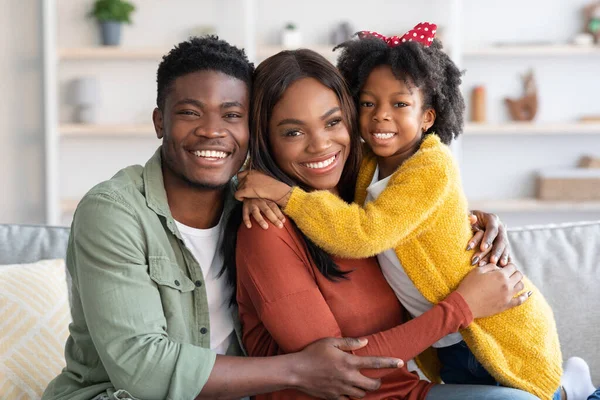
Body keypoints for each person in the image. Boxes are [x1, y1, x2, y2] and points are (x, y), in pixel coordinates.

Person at [42, 36, 413, 400]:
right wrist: (299, 368)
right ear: (160, 123)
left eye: (232, 115)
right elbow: (144, 370)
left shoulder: (258, 203)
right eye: (190, 113)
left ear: (251, 129)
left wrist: (468, 225)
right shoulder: (112, 212)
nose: (212, 130)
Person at [234, 24, 564, 399]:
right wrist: (461, 308)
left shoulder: (349, 190)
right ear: (265, 137)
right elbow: (335, 369)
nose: (321, 145)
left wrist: (468, 218)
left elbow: (396, 216)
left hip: (431, 370)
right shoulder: (268, 226)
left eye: (332, 122)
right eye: (293, 132)